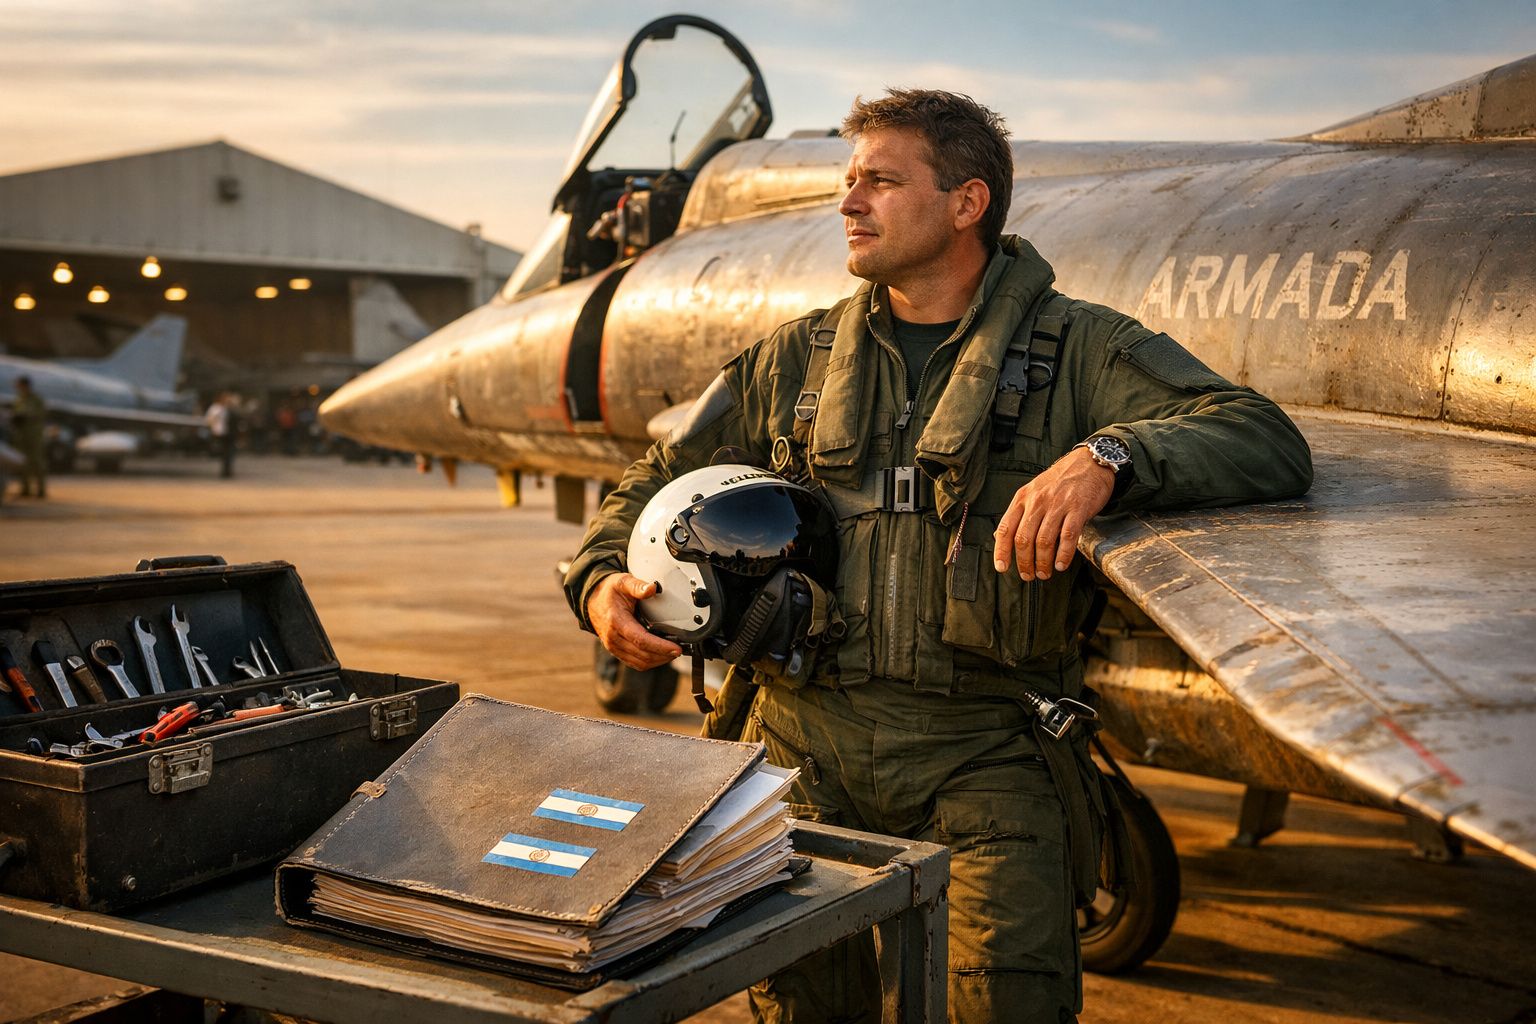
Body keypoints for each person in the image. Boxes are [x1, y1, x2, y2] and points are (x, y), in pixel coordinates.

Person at [564, 89, 1314, 1023]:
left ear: (967, 203)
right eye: (849, 180)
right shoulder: (794, 361)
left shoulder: (1077, 348)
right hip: (802, 752)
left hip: (986, 759)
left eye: (880, 180)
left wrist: (1109, 458)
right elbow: (653, 477)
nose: (848, 202)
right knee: (802, 1009)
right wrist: (601, 582)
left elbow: (1261, 434)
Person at [9, 376, 48, 499]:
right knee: (23, 462)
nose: (17, 387)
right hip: (21, 435)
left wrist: (25, 416)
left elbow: (40, 414)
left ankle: (41, 490)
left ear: (25, 385)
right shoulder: (19, 399)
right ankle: (25, 488)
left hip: (34, 435)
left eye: (19, 385)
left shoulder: (36, 400)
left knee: (37, 461)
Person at [205, 391, 236, 479]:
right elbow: (209, 419)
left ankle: (227, 471)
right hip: (219, 432)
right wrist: (214, 426)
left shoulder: (227, 408)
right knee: (224, 453)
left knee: (229, 453)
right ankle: (225, 471)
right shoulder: (215, 408)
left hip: (228, 432)